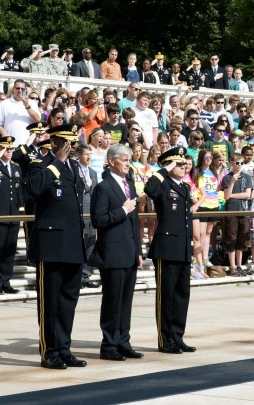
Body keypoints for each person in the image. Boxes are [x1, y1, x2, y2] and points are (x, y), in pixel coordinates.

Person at [27, 124, 88, 370]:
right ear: (54, 142)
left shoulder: (75, 168)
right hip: (51, 244)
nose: (71, 147)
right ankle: (49, 351)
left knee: (67, 302)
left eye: (73, 143)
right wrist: (57, 164)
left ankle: (64, 349)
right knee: (50, 302)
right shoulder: (39, 165)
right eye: (67, 143)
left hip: (73, 243)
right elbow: (32, 190)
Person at [89, 145, 143, 360]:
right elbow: (99, 219)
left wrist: (138, 250)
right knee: (112, 301)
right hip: (112, 251)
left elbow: (135, 223)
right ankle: (109, 345)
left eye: (129, 159)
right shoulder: (103, 187)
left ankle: (123, 341)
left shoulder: (129, 185)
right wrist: (122, 210)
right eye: (123, 159)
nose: (128, 163)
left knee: (126, 301)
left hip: (129, 251)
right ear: (111, 161)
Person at [144, 147, 196, 354]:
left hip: (183, 248)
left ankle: (177, 336)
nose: (183, 167)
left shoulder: (183, 187)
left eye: (184, 164)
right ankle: (166, 340)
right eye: (178, 164)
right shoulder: (163, 185)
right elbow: (149, 188)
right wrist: (164, 169)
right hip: (166, 248)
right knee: (166, 296)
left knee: (182, 295)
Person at [0, 136, 24, 294]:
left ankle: (6, 281)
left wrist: (21, 213)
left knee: (9, 249)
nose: (9, 152)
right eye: (5, 148)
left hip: (13, 214)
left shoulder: (16, 168)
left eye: (11, 149)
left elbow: (18, 192)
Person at [221, 153, 253, 276]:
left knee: (242, 239)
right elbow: (225, 196)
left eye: (241, 163)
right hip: (231, 211)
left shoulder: (247, 177)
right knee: (231, 238)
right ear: (232, 163)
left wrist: (232, 196)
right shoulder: (227, 178)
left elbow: (247, 194)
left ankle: (239, 265)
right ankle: (232, 266)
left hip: (243, 210)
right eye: (237, 163)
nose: (239, 165)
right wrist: (233, 182)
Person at [75, 144, 99, 289]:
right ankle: (77, 276)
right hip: (80, 212)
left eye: (91, 154)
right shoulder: (74, 170)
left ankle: (86, 275)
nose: (89, 157)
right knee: (80, 245)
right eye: (86, 154)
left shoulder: (93, 172)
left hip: (91, 213)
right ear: (79, 155)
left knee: (90, 244)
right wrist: (87, 185)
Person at [0, 79, 41, 144]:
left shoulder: (32, 103)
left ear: (25, 90)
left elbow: (37, 119)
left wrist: (27, 106)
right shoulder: (4, 103)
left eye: (22, 89)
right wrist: (4, 133)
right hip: (10, 144)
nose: (20, 91)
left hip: (28, 144)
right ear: (13, 89)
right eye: (17, 88)